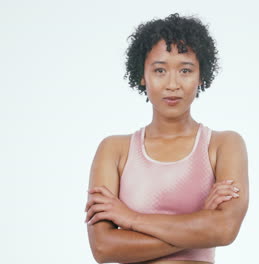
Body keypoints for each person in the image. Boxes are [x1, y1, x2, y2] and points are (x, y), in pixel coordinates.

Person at [84, 13, 249, 264]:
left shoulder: (223, 145)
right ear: (142, 75)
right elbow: (104, 248)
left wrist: (131, 220)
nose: (173, 84)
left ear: (200, 76)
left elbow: (225, 229)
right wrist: (200, 225)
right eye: (160, 70)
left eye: (185, 70)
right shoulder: (114, 150)